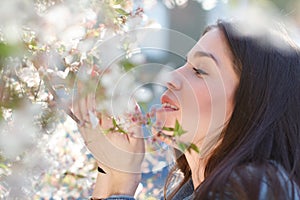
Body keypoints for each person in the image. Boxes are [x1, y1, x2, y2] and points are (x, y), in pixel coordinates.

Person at [73, 19, 300, 200]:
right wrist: (112, 169)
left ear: (252, 104)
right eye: (185, 63)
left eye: (200, 70)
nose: (171, 76)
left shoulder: (258, 187)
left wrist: (122, 185)